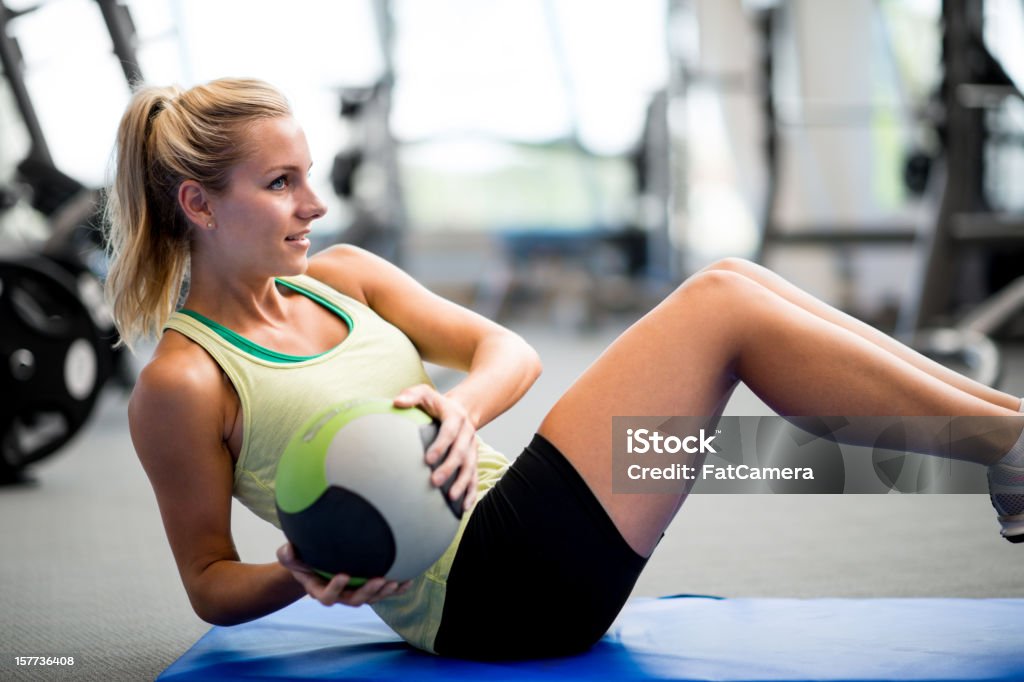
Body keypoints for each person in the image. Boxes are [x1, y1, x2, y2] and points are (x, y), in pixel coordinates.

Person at [106, 78, 1024, 661]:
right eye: (280, 184)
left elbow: (513, 352)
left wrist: (461, 409)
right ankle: (1010, 447)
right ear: (199, 203)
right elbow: (207, 581)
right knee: (723, 308)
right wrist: (304, 573)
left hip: (527, 530)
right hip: (488, 598)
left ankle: (1011, 435)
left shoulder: (344, 279)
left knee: (734, 282)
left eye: (308, 173)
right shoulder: (184, 384)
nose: (316, 201)